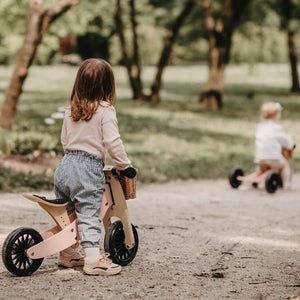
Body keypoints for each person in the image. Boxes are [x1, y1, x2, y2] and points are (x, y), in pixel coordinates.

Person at [54, 58, 133, 275]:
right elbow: (113, 142)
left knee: (68, 214)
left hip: (65, 165)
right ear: (108, 85)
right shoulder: (105, 110)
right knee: (89, 211)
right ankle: (92, 260)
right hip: (87, 169)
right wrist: (124, 165)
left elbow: (64, 139)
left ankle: (68, 254)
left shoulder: (72, 109)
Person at [255, 102, 295, 188]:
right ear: (276, 115)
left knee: (263, 163)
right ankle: (286, 183)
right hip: (273, 157)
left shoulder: (259, 126)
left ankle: (257, 177)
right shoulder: (277, 128)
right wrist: (291, 144)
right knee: (285, 165)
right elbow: (286, 141)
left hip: (259, 156)